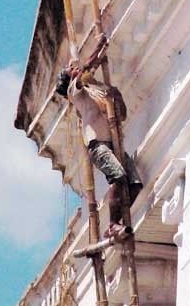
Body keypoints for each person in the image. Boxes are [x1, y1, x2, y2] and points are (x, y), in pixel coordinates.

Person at [56, 34, 142, 238]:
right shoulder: (75, 92)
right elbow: (86, 69)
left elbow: (120, 114)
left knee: (135, 184)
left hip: (114, 145)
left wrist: (114, 95)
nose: (74, 68)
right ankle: (112, 225)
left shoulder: (96, 91)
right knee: (118, 176)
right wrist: (98, 46)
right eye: (70, 70)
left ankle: (120, 221)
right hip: (98, 146)